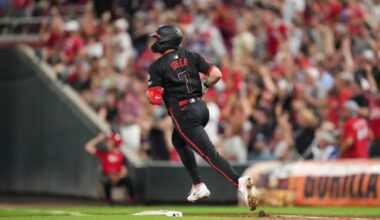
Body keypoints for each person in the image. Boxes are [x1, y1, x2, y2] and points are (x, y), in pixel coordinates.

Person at [145, 24, 258, 210]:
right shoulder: (191, 55)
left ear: (165, 41)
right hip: (201, 108)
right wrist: (203, 87)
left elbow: (154, 99)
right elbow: (216, 74)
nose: (156, 42)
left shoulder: (157, 66)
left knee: (208, 154)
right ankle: (198, 185)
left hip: (183, 113)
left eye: (158, 39)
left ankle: (239, 182)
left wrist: (152, 95)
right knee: (178, 141)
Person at [85, 132, 135, 205]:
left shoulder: (121, 156)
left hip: (118, 178)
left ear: (115, 143)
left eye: (109, 141)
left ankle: (131, 200)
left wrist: (117, 177)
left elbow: (124, 171)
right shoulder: (104, 153)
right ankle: (109, 200)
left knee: (128, 179)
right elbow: (88, 147)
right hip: (108, 177)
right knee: (105, 180)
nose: (107, 143)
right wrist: (98, 139)